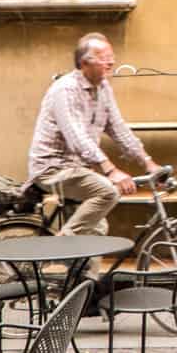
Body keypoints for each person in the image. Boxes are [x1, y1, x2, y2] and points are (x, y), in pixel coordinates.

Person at [27, 33, 161, 236]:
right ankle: (61, 244)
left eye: (111, 56)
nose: (111, 61)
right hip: (53, 169)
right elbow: (77, 138)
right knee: (108, 191)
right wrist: (111, 170)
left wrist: (148, 163)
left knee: (96, 231)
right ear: (84, 63)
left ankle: (78, 267)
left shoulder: (103, 88)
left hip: (79, 170)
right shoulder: (65, 89)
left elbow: (118, 129)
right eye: (103, 57)